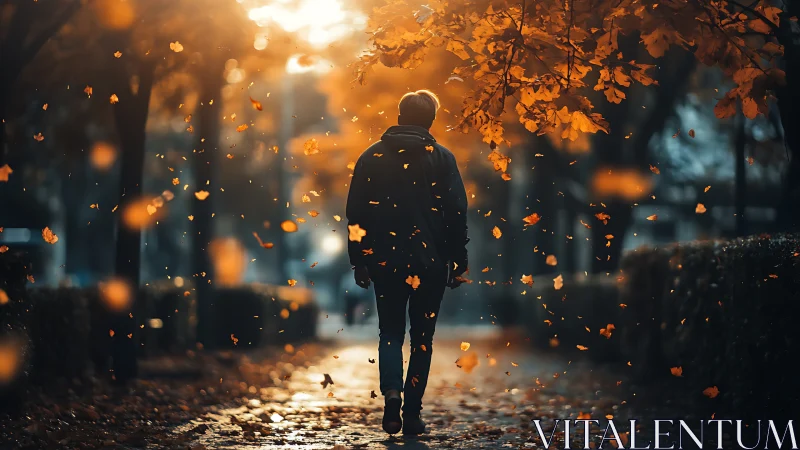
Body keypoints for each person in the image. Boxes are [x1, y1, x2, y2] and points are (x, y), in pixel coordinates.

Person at [345, 89, 469, 436]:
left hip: (385, 263)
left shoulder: (370, 157)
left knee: (390, 333)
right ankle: (413, 413)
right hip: (430, 263)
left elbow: (356, 213)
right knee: (422, 338)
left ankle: (392, 396)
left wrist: (360, 260)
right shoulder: (443, 159)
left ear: (399, 117)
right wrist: (458, 262)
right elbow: (456, 213)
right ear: (431, 120)